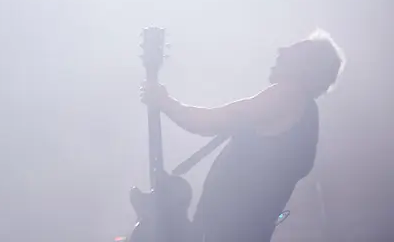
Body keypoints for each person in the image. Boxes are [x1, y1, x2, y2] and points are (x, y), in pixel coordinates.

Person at [140, 29, 344, 242]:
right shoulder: (304, 111)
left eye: (295, 50)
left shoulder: (289, 96)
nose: (281, 51)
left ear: (307, 67)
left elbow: (209, 122)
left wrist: (165, 102)